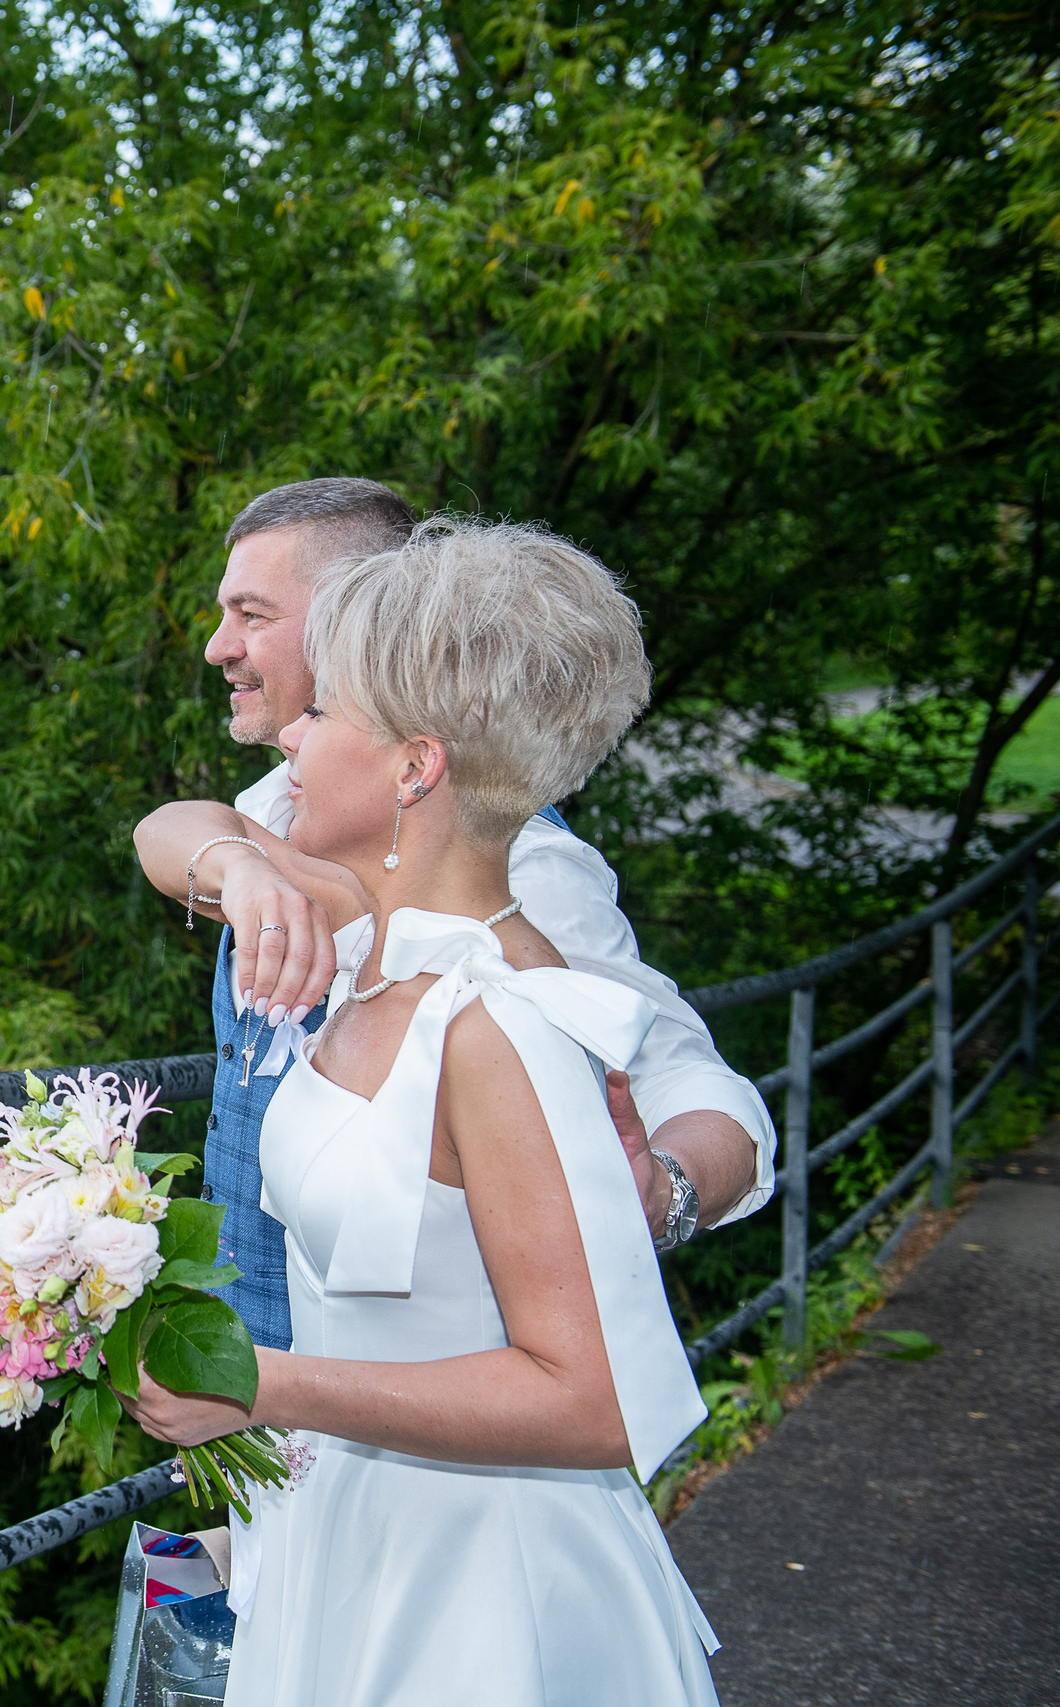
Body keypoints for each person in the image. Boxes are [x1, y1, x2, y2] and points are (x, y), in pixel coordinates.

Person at [124, 516, 723, 1703]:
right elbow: (169, 831)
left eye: (321, 711)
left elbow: (595, 1399)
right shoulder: (370, 947)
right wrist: (239, 869)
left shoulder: (498, 1021)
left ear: (415, 767)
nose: (291, 735)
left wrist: (262, 1386)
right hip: (344, 1532)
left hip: (475, 1592)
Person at [132, 479, 771, 1352]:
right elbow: (172, 829)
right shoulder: (288, 810)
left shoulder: (519, 873)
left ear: (362, 611)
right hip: (258, 1378)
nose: (218, 646)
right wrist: (239, 870)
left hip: (397, 1387)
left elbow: (685, 1080)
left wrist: (663, 1193)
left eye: (252, 613)